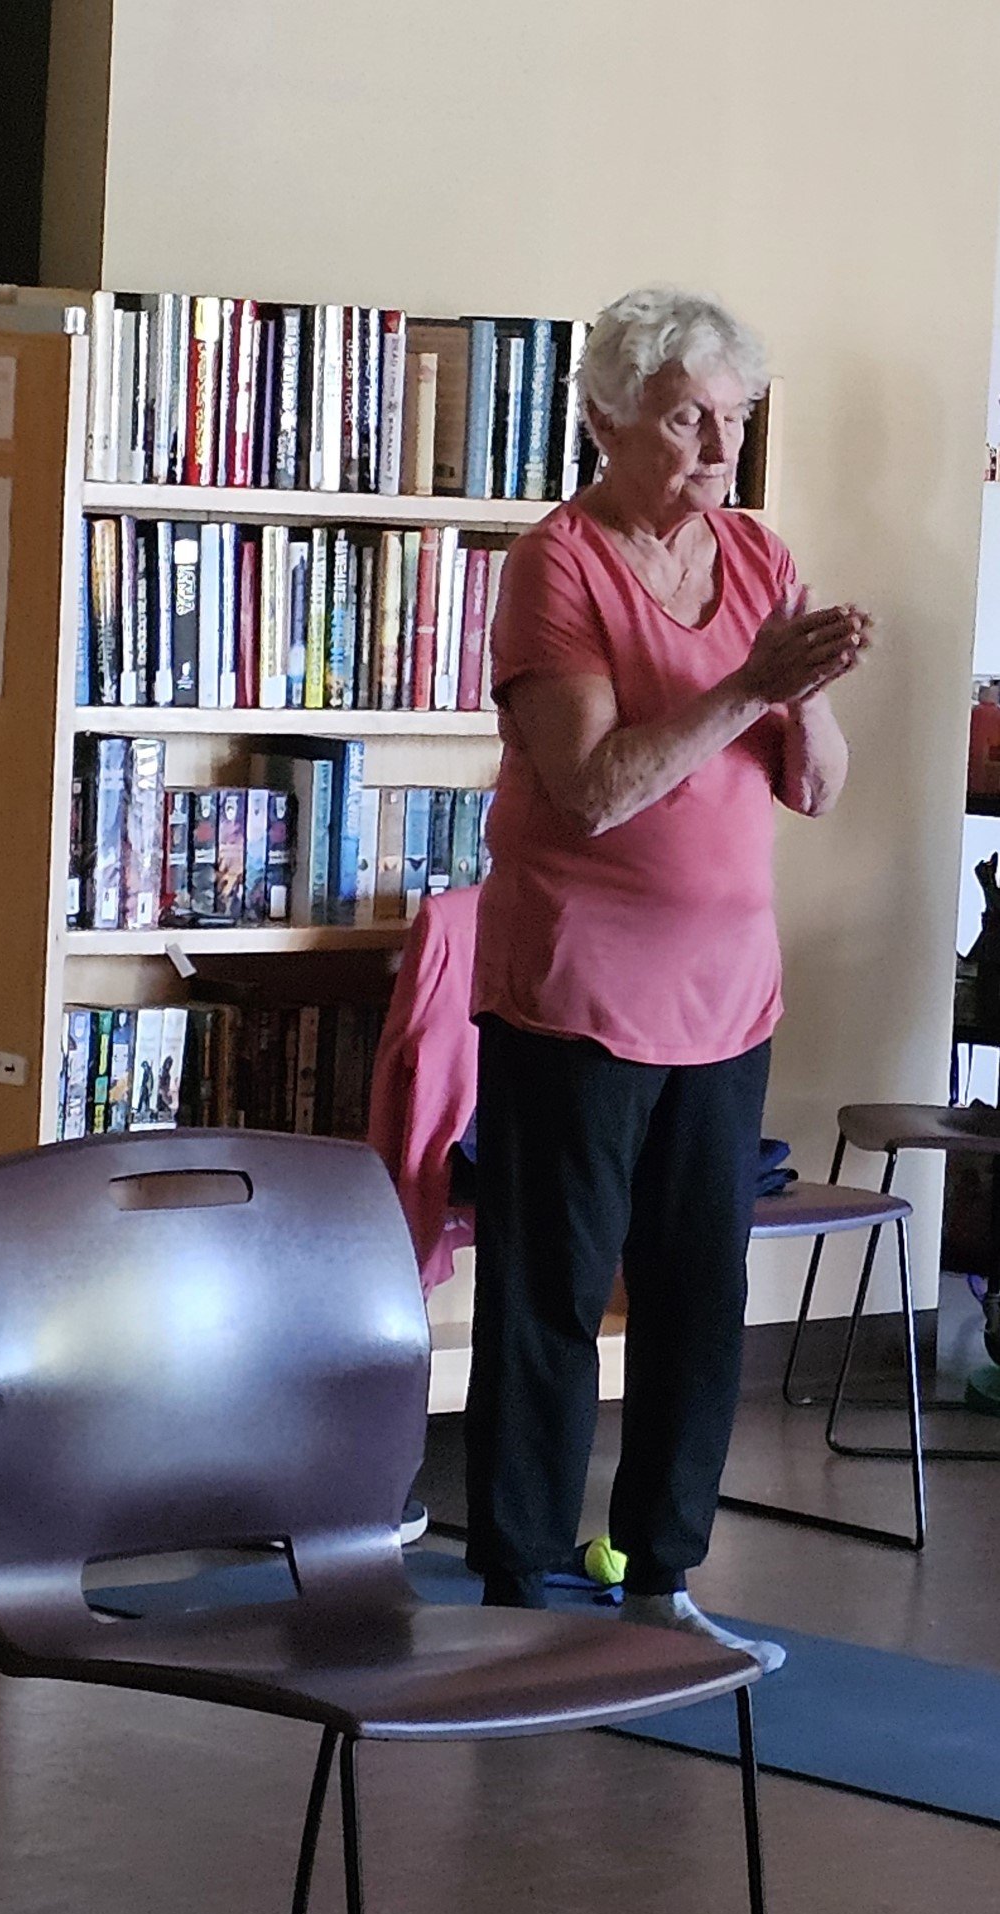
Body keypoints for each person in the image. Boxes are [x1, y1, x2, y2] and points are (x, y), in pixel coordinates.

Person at [464, 286, 870, 1661]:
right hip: (575, 993)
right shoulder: (557, 565)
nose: (720, 446)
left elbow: (816, 785)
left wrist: (800, 689)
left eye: (738, 418)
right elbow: (589, 787)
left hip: (724, 999)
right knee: (553, 1295)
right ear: (608, 417)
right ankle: (521, 1576)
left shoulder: (759, 559)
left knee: (701, 1292)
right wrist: (749, 684)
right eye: (692, 416)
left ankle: (660, 1575)